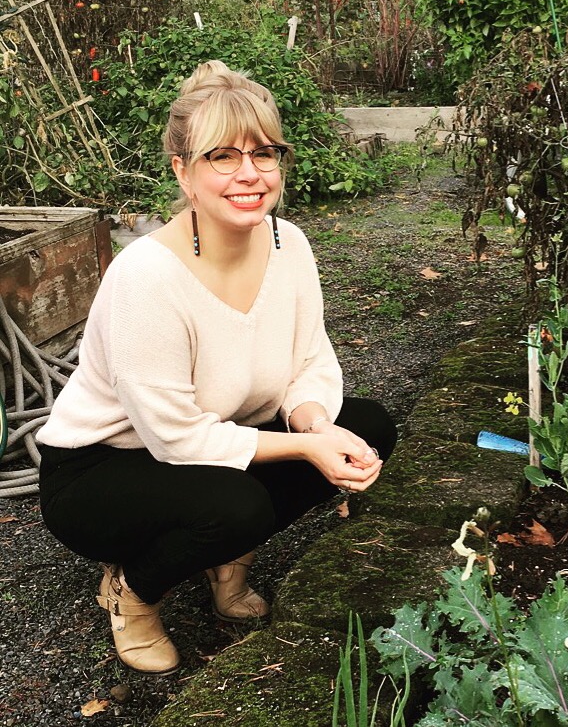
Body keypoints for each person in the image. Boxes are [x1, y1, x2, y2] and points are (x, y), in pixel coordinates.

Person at [37, 60, 396, 675]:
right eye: (223, 157)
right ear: (183, 170)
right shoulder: (148, 276)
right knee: (237, 505)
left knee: (366, 424)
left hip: (212, 444)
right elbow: (175, 437)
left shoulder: (289, 244)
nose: (250, 175)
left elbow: (309, 359)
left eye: (265, 153)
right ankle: (134, 594)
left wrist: (314, 423)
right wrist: (306, 450)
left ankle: (226, 559)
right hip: (104, 468)